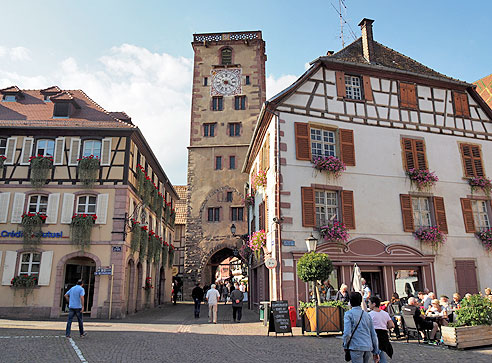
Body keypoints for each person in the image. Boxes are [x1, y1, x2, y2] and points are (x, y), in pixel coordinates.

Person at [343, 292, 380, 363]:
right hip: (367, 346)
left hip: (355, 346)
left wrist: (345, 345)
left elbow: (347, 333)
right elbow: (373, 334)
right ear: (360, 301)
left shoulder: (348, 314)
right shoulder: (367, 315)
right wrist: (376, 351)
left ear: (350, 302)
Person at [368, 296, 394, 363]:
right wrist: (384, 326)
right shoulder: (385, 314)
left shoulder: (370, 314)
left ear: (374, 304)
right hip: (384, 334)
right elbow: (391, 325)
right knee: (380, 352)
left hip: (375, 334)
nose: (368, 304)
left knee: (378, 354)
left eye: (369, 303)